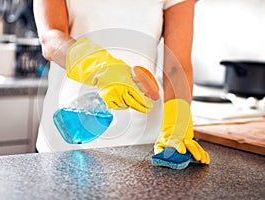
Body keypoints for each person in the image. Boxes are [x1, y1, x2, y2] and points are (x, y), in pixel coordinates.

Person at [33, 0, 210, 169]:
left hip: (141, 142)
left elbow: (176, 67)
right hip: (71, 129)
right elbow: (51, 37)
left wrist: (177, 123)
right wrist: (103, 68)